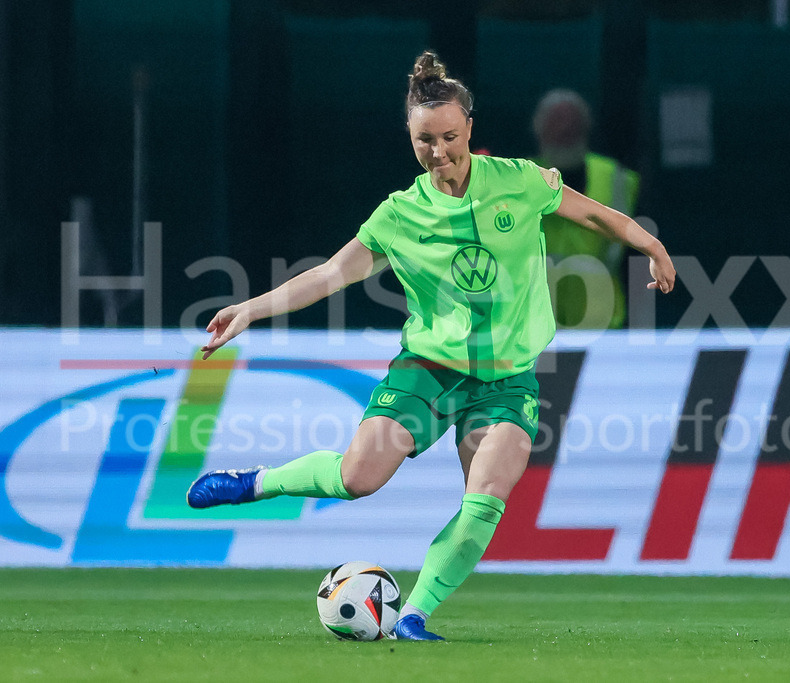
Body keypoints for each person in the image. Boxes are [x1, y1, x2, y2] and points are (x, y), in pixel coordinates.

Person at [187, 51, 675, 641]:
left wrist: (652, 246)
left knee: (488, 491)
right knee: (359, 478)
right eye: (424, 140)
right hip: (428, 372)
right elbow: (329, 275)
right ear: (410, 138)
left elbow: (596, 216)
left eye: (448, 136)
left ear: (470, 128)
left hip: (507, 378)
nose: (438, 151)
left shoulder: (520, 180)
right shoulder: (399, 215)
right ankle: (257, 482)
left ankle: (413, 616)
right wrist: (250, 308)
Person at [532, 89, 641, 329]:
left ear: (586, 126)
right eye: (555, 121)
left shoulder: (618, 180)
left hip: (604, 324)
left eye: (570, 121)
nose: (563, 128)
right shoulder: (515, 181)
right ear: (537, 128)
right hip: (537, 326)